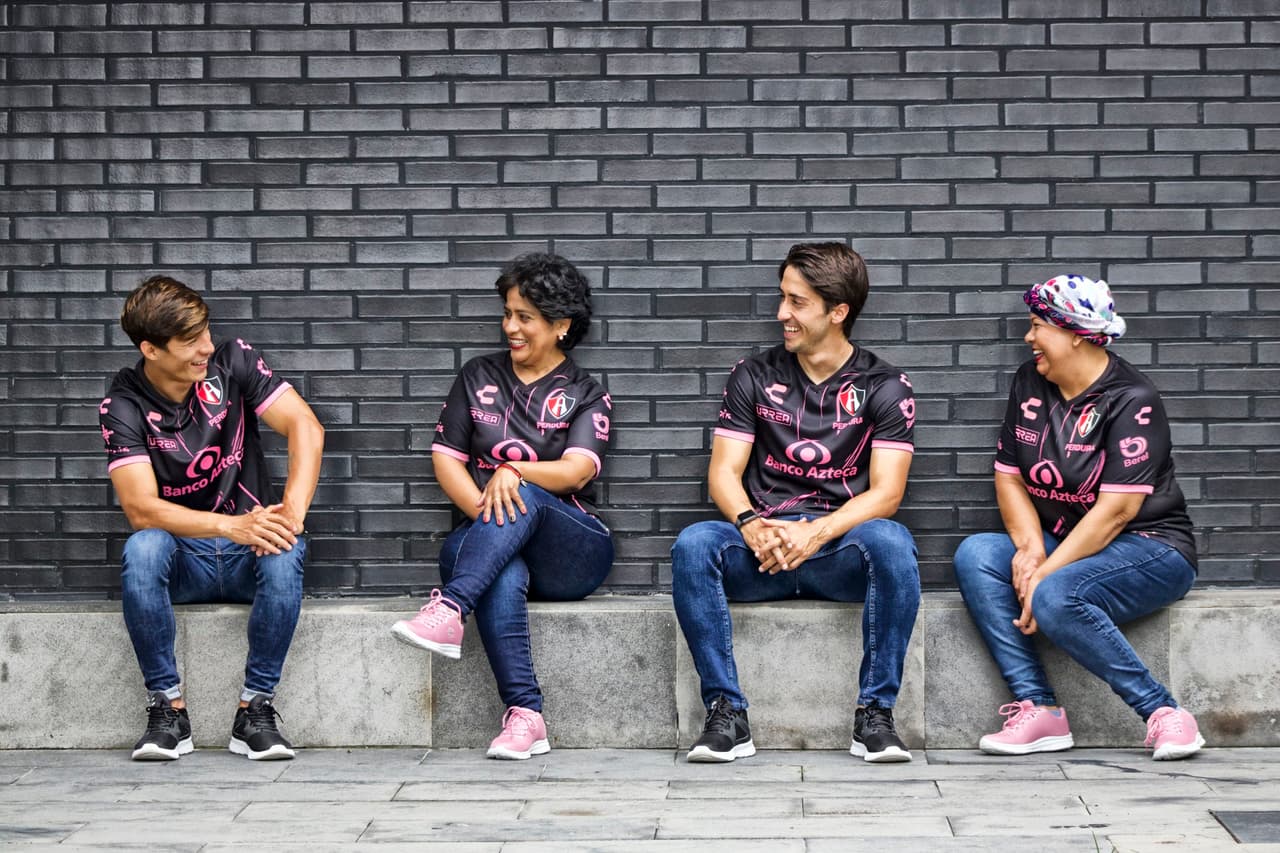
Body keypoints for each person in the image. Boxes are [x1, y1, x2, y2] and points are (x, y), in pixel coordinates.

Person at [671, 242, 921, 763]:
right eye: (782, 297)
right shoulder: (753, 374)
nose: (781, 313)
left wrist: (816, 532)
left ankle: (875, 715)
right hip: (761, 552)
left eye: (797, 302)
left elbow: (888, 494)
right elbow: (723, 473)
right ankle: (726, 713)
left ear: (838, 311)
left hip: (836, 553)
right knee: (694, 544)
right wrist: (750, 524)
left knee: (892, 542)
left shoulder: (885, 385)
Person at [953, 274, 1203, 761]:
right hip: (1069, 540)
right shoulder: (1031, 381)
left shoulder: (1132, 399)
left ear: (1074, 333)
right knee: (977, 554)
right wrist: (1030, 549)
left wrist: (1045, 571)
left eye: (1037, 325)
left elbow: (1116, 512)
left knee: (1055, 592)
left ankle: (1164, 713)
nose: (1028, 337)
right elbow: (1009, 477)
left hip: (1151, 547)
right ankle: (1040, 710)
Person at [391, 252, 614, 760]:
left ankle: (450, 607)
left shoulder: (586, 394)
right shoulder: (478, 376)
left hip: (571, 552)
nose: (510, 327)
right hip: (484, 539)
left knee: (524, 489)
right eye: (508, 313)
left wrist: (514, 473)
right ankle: (525, 717)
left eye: (524, 317)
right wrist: (491, 521)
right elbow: (446, 458)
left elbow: (576, 471)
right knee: (501, 567)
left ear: (561, 325)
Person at [99, 276, 325, 761]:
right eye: (189, 341)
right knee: (143, 547)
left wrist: (291, 513)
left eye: (205, 331)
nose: (205, 347)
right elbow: (140, 509)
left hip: (251, 553)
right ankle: (168, 711)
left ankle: (255, 711)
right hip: (185, 560)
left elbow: (304, 425)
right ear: (151, 350)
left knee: (285, 546)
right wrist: (231, 525)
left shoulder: (232, 360)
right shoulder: (123, 404)